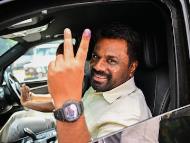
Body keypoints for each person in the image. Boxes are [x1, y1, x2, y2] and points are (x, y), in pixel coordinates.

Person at [0, 24, 152, 143]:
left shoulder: (130, 119)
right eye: (95, 56)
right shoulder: (102, 88)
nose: (98, 66)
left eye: (111, 61)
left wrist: (67, 101)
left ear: (132, 67)